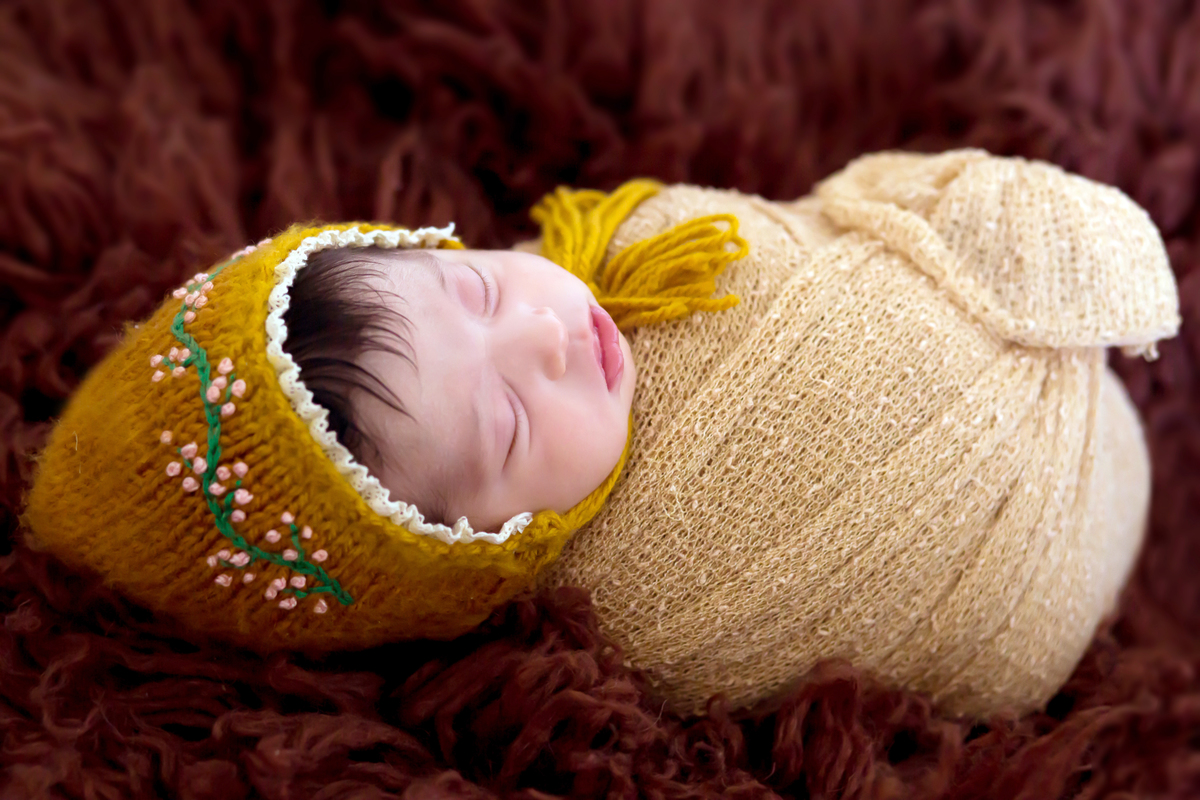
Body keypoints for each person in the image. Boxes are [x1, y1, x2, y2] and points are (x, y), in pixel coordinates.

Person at [22, 149, 1180, 719]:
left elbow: (803, 214)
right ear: (484, 550)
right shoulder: (650, 608)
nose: (546, 334)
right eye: (515, 421)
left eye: (477, 291)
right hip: (1026, 535)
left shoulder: (617, 254)